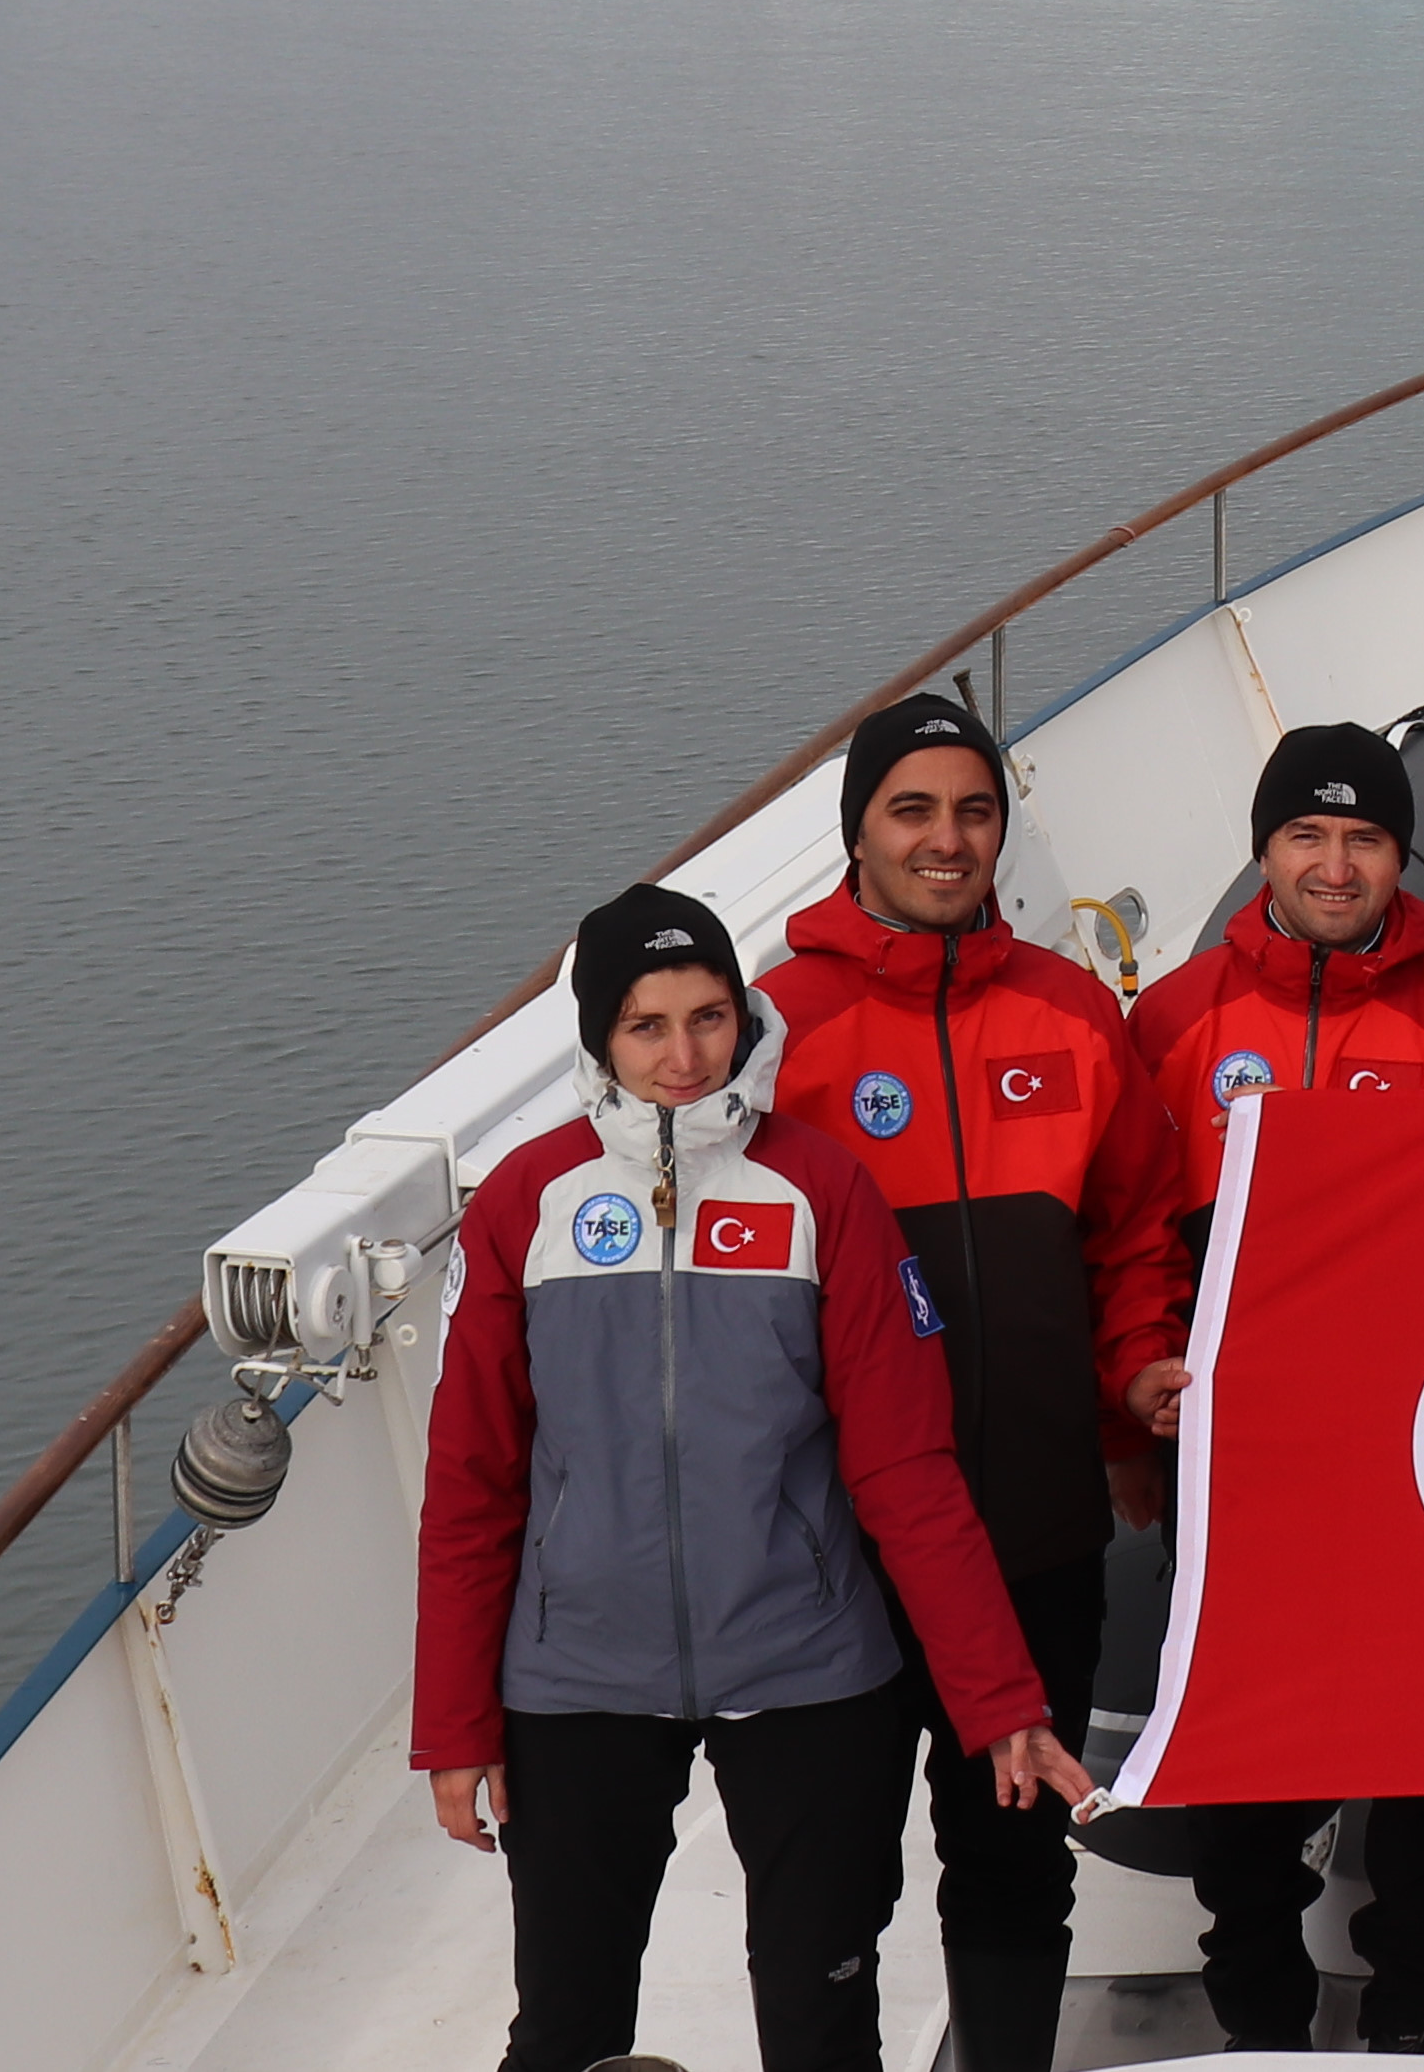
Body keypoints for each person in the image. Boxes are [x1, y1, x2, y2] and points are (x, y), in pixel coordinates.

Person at [417, 882, 1091, 2072]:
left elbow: (906, 1470)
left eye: (711, 1017)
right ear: (597, 1037)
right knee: (564, 2027)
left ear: (744, 1015)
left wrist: (999, 1705)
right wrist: (457, 1725)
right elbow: (474, 1482)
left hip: (805, 1663)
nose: (685, 1057)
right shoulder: (529, 1201)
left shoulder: (821, 1190)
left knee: (822, 2017)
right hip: (578, 1677)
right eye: (647, 1025)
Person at [755, 692, 1184, 2072]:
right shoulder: (776, 1029)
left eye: (976, 810)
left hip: (1037, 1529)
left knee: (1013, 1858)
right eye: (915, 809)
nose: (949, 841)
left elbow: (1130, 1234)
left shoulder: (1070, 1012)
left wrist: (1133, 1384)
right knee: (830, 1879)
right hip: (842, 1547)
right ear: (860, 829)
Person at [1121, 725, 1424, 2055]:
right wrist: (1142, 1362)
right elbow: (1128, 1230)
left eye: (1363, 839)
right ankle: (1262, 2021)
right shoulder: (1177, 1018)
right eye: (1308, 835)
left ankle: (1415, 2008)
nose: (1335, 864)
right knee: (1251, 1741)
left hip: (1416, 1455)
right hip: (1243, 1463)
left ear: (1400, 856)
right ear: (1266, 850)